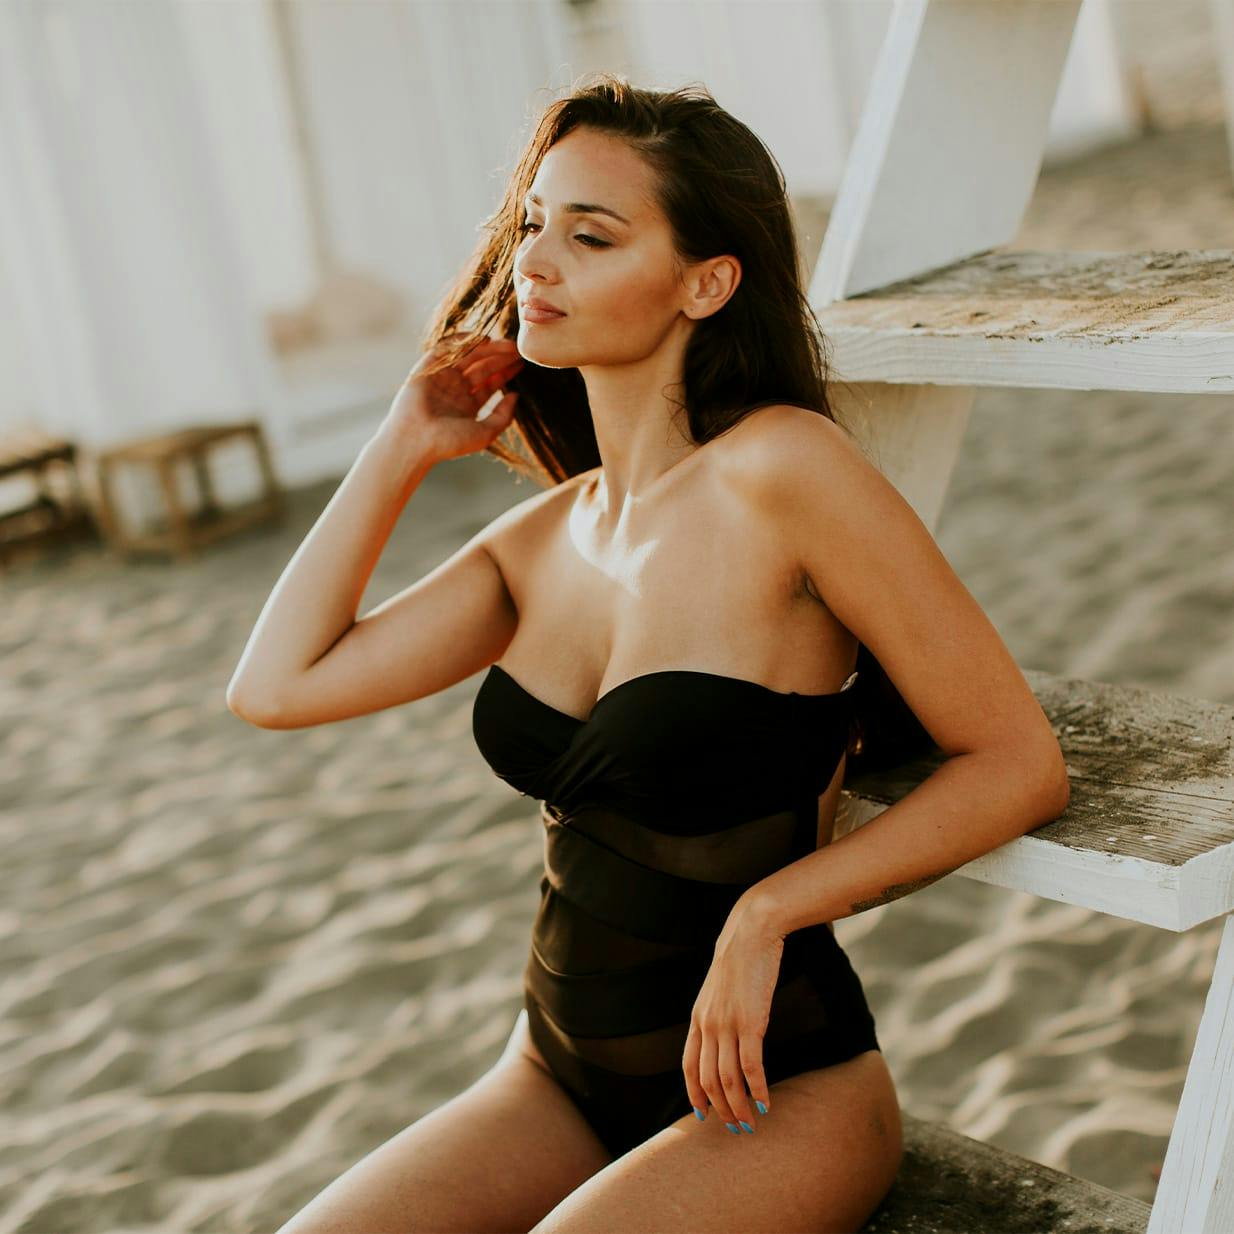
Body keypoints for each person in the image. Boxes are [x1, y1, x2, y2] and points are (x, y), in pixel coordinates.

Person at [231, 74, 1070, 1234]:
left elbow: (1018, 760)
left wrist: (770, 910)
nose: (537, 260)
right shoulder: (544, 536)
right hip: (549, 1077)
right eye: (533, 222)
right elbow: (276, 686)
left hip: (774, 1093)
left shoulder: (784, 472)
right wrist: (398, 443)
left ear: (706, 283)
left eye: (591, 234)